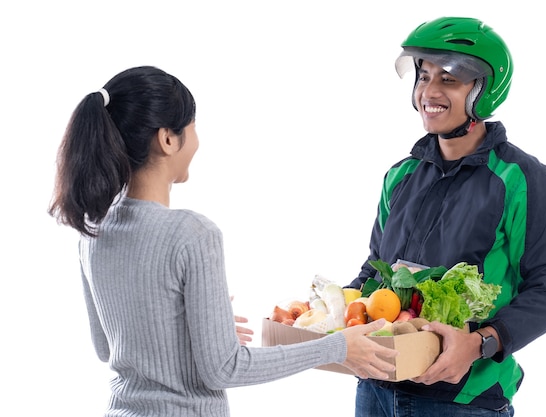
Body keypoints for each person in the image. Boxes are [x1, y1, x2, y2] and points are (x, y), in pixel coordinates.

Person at [47, 65, 398, 417]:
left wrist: (192, 328)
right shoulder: (191, 233)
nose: (197, 139)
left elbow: (108, 348)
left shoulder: (94, 228)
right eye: (192, 127)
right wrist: (336, 347)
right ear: (167, 138)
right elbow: (225, 368)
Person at [346, 17, 546, 416]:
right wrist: (337, 315)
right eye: (423, 76)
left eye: (448, 80)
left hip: (464, 401)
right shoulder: (401, 175)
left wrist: (480, 343)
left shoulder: (521, 180)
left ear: (482, 92)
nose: (428, 93)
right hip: (376, 389)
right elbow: (376, 269)